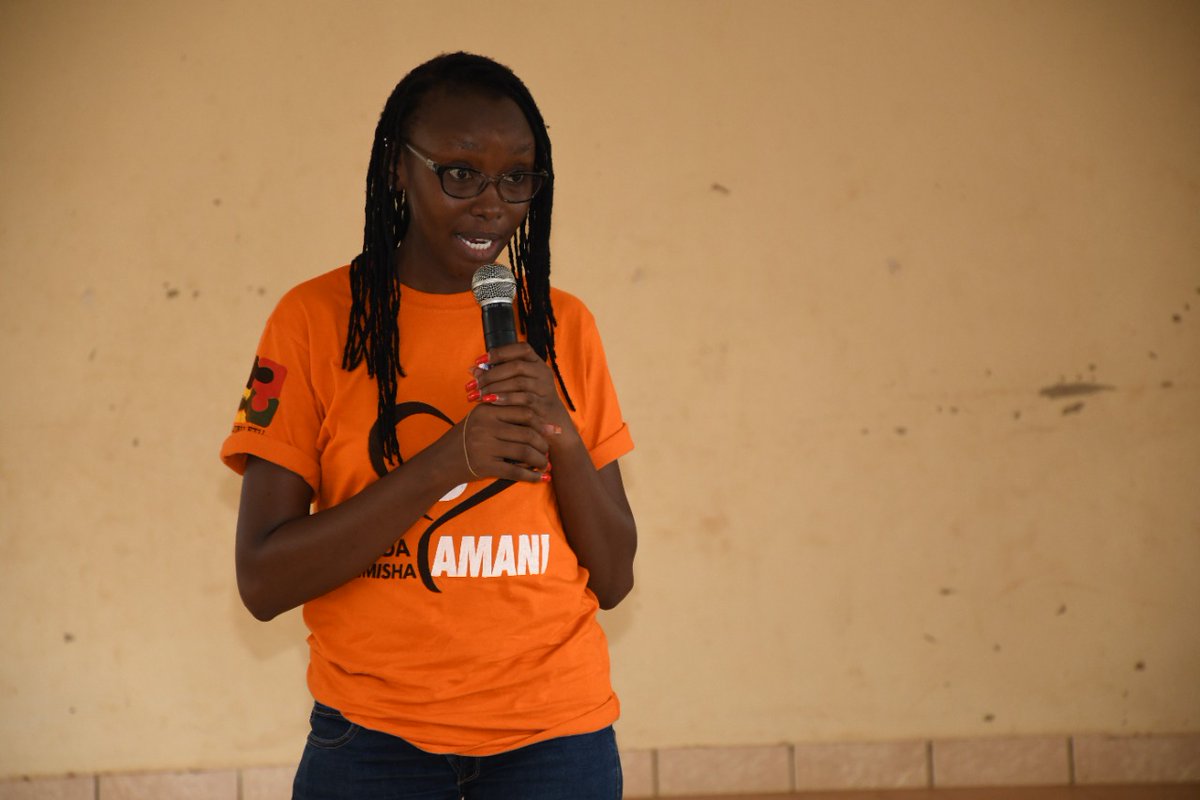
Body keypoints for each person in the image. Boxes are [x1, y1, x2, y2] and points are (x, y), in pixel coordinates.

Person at [220, 52, 637, 799]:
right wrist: (449, 461)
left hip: (556, 741)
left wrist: (560, 434)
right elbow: (261, 579)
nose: (491, 203)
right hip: (374, 743)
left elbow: (613, 577)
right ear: (396, 171)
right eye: (460, 173)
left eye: (517, 177)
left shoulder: (563, 325)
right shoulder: (314, 322)